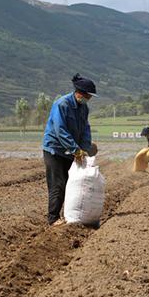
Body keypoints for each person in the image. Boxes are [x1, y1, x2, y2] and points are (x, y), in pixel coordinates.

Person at [42, 73, 98, 226]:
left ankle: (68, 216)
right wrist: (75, 149)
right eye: (88, 95)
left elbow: (85, 129)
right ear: (79, 93)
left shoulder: (83, 108)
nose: (89, 99)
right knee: (58, 184)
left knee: (69, 183)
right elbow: (60, 130)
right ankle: (52, 218)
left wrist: (84, 148)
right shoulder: (62, 104)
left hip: (70, 151)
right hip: (54, 150)